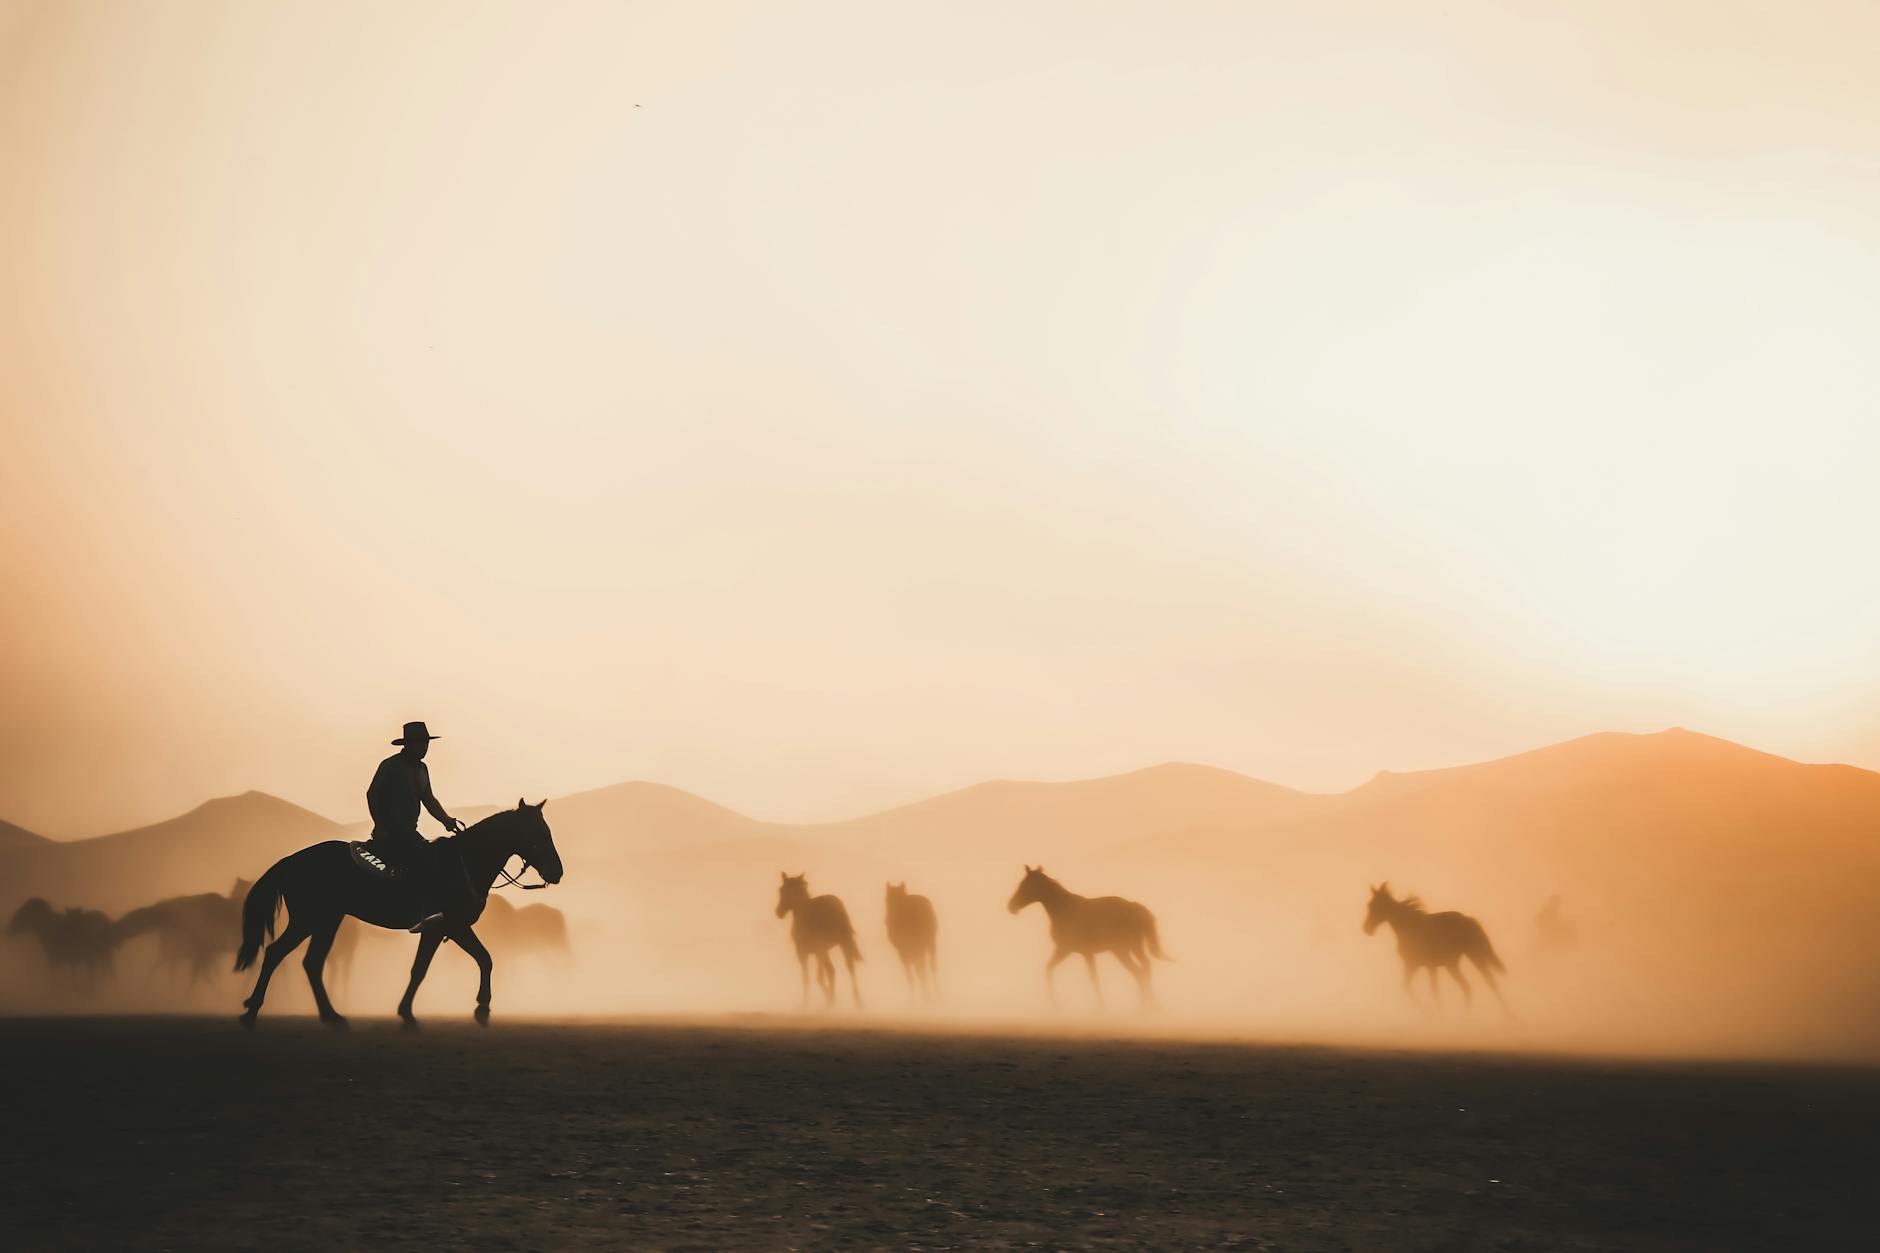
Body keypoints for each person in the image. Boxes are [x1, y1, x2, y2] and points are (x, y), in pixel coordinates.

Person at [367, 721, 467, 929]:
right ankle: (421, 910)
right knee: (425, 858)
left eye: (426, 743)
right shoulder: (391, 765)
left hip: (409, 831)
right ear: (409, 744)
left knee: (433, 857)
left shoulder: (422, 769)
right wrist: (380, 825)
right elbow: (373, 793)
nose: (425, 747)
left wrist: (447, 821)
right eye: (421, 743)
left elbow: (428, 799)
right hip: (394, 830)